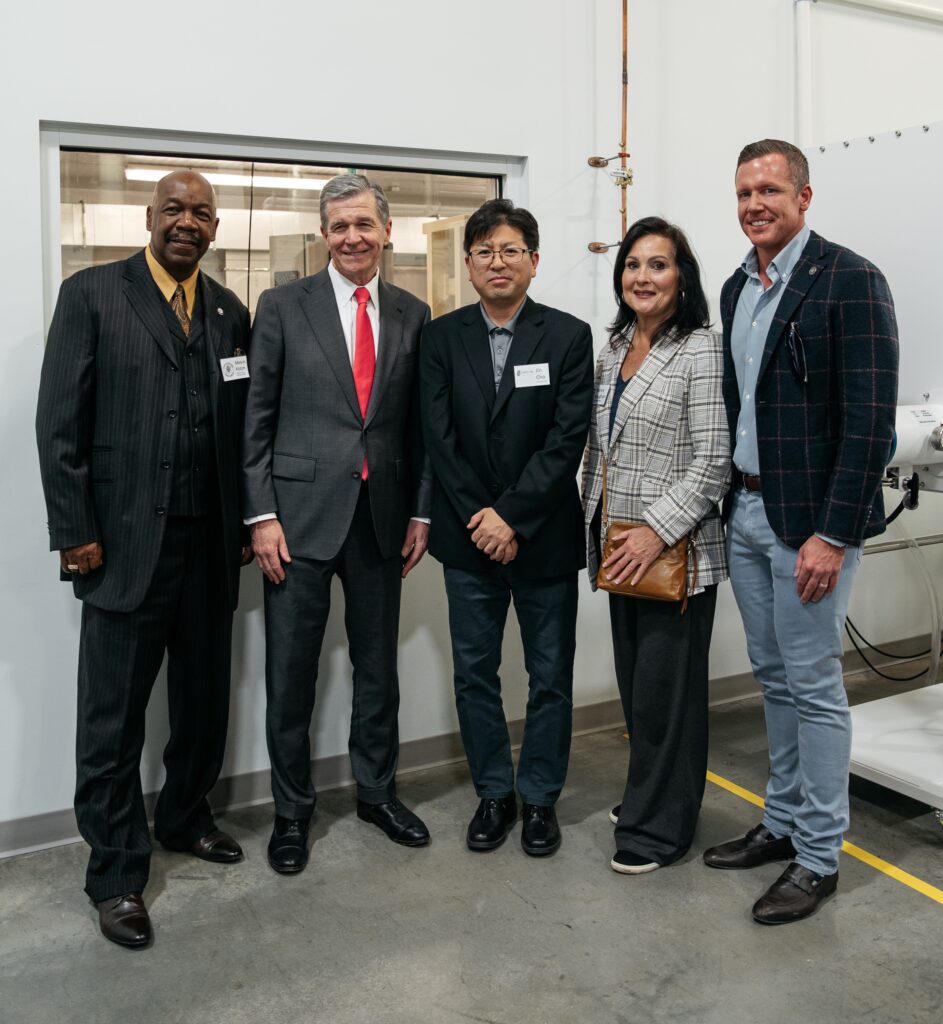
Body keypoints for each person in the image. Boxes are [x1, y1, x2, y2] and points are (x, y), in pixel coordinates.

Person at [35, 171, 251, 949]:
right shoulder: (93, 294)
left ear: (215, 227)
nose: (185, 222)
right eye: (173, 209)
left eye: (200, 212)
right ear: (149, 217)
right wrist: (74, 531)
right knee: (112, 720)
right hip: (122, 547)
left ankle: (185, 816)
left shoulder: (229, 312)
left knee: (201, 704)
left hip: (208, 548)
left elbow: (239, 428)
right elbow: (58, 423)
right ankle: (116, 873)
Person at [703, 139, 898, 924]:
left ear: (804, 197)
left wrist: (833, 533)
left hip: (808, 525)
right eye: (744, 191)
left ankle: (818, 856)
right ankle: (780, 824)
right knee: (772, 678)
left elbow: (868, 424)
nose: (755, 204)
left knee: (815, 688)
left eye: (770, 190)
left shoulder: (849, 280)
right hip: (746, 512)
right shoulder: (734, 289)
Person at [242, 174, 432, 875]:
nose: (351, 236)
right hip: (295, 522)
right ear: (324, 235)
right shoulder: (282, 306)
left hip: (380, 522)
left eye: (363, 225)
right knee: (290, 674)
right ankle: (291, 813)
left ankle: (377, 794)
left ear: (386, 232)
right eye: (338, 226)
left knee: (376, 670)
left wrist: (420, 509)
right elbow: (255, 418)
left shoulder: (414, 313)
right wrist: (261, 514)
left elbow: (418, 428)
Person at [420, 199, 593, 857]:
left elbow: (565, 437)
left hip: (542, 535)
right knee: (474, 672)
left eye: (511, 249)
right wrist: (482, 519)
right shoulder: (440, 338)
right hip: (468, 542)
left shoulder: (567, 336)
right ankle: (495, 793)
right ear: (467, 264)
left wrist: (512, 517)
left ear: (533, 261)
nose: (498, 261)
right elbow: (438, 439)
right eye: (485, 251)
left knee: (550, 675)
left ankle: (541, 798)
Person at [582, 216, 730, 875]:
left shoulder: (700, 347)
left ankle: (658, 831)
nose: (642, 276)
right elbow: (599, 449)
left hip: (673, 553)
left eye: (658, 265)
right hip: (616, 547)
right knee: (637, 689)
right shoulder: (613, 348)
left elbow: (712, 462)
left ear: (681, 276)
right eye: (633, 264)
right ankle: (650, 795)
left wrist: (654, 531)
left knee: (665, 697)